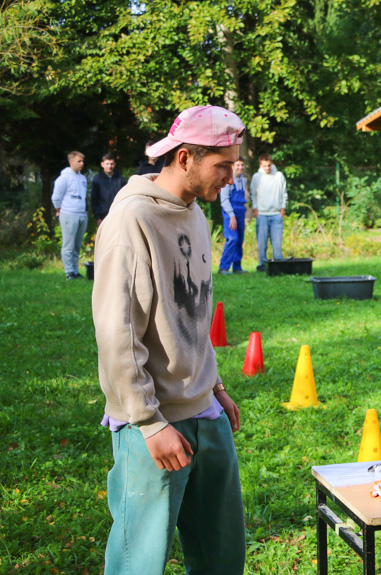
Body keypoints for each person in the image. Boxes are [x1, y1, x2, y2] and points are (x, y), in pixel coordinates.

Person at [91, 105, 245, 575]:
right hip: (153, 425)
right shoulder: (130, 220)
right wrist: (148, 421)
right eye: (222, 166)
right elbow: (116, 331)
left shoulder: (195, 213)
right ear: (185, 158)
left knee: (222, 554)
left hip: (206, 412)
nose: (230, 179)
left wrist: (215, 385)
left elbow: (192, 314)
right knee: (141, 560)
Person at [51, 151, 88, 280]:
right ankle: (69, 272)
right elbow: (56, 197)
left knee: (77, 245)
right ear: (71, 162)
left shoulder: (83, 178)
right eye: (79, 161)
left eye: (83, 161)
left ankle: (75, 271)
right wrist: (59, 209)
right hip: (68, 213)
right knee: (69, 244)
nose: (82, 164)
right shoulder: (64, 178)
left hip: (82, 214)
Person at [250, 153, 288, 272]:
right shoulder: (257, 177)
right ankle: (262, 266)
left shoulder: (279, 176)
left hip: (276, 214)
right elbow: (253, 194)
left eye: (269, 165)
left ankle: (278, 266)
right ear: (261, 165)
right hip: (262, 214)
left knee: (277, 243)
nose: (268, 168)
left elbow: (284, 193)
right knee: (262, 243)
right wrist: (256, 208)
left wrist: (282, 208)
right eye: (265, 166)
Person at [218, 158, 249, 275]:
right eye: (238, 165)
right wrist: (232, 216)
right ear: (232, 167)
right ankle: (223, 268)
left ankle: (237, 267)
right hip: (230, 213)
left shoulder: (243, 180)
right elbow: (224, 200)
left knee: (240, 240)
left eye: (242, 165)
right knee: (232, 239)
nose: (240, 167)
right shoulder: (228, 181)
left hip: (241, 212)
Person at [91, 153, 126, 226]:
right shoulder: (97, 180)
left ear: (115, 164)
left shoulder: (120, 179)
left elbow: (125, 197)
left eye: (111, 164)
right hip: (103, 217)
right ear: (102, 164)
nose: (109, 166)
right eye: (107, 164)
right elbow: (94, 199)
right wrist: (97, 217)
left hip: (119, 215)